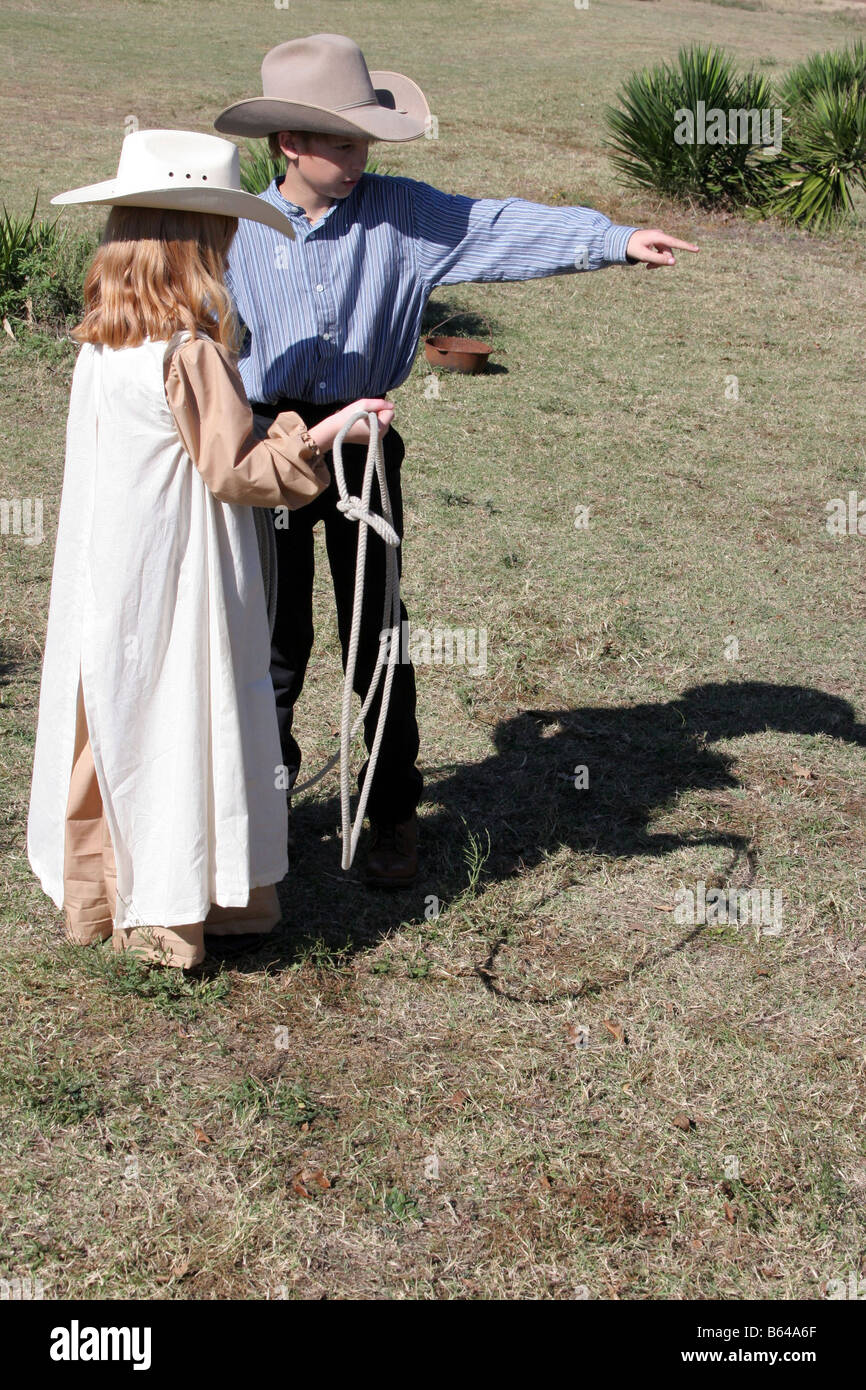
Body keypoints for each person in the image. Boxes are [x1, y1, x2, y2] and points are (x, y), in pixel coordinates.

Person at [215, 33, 698, 888]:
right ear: (290, 143)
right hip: (273, 449)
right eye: (342, 141)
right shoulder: (234, 229)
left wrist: (613, 238)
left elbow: (499, 223)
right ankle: (265, 811)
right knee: (273, 643)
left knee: (379, 636)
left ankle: (393, 810)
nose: (360, 156)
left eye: (365, 139)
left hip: (366, 446)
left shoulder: (404, 213)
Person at [27, 128, 393, 969]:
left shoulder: (107, 342)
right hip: (183, 575)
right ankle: (180, 908)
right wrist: (330, 429)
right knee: (182, 717)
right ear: (200, 244)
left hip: (116, 567)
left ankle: (111, 892)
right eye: (225, 233)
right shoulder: (192, 353)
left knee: (118, 711)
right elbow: (238, 471)